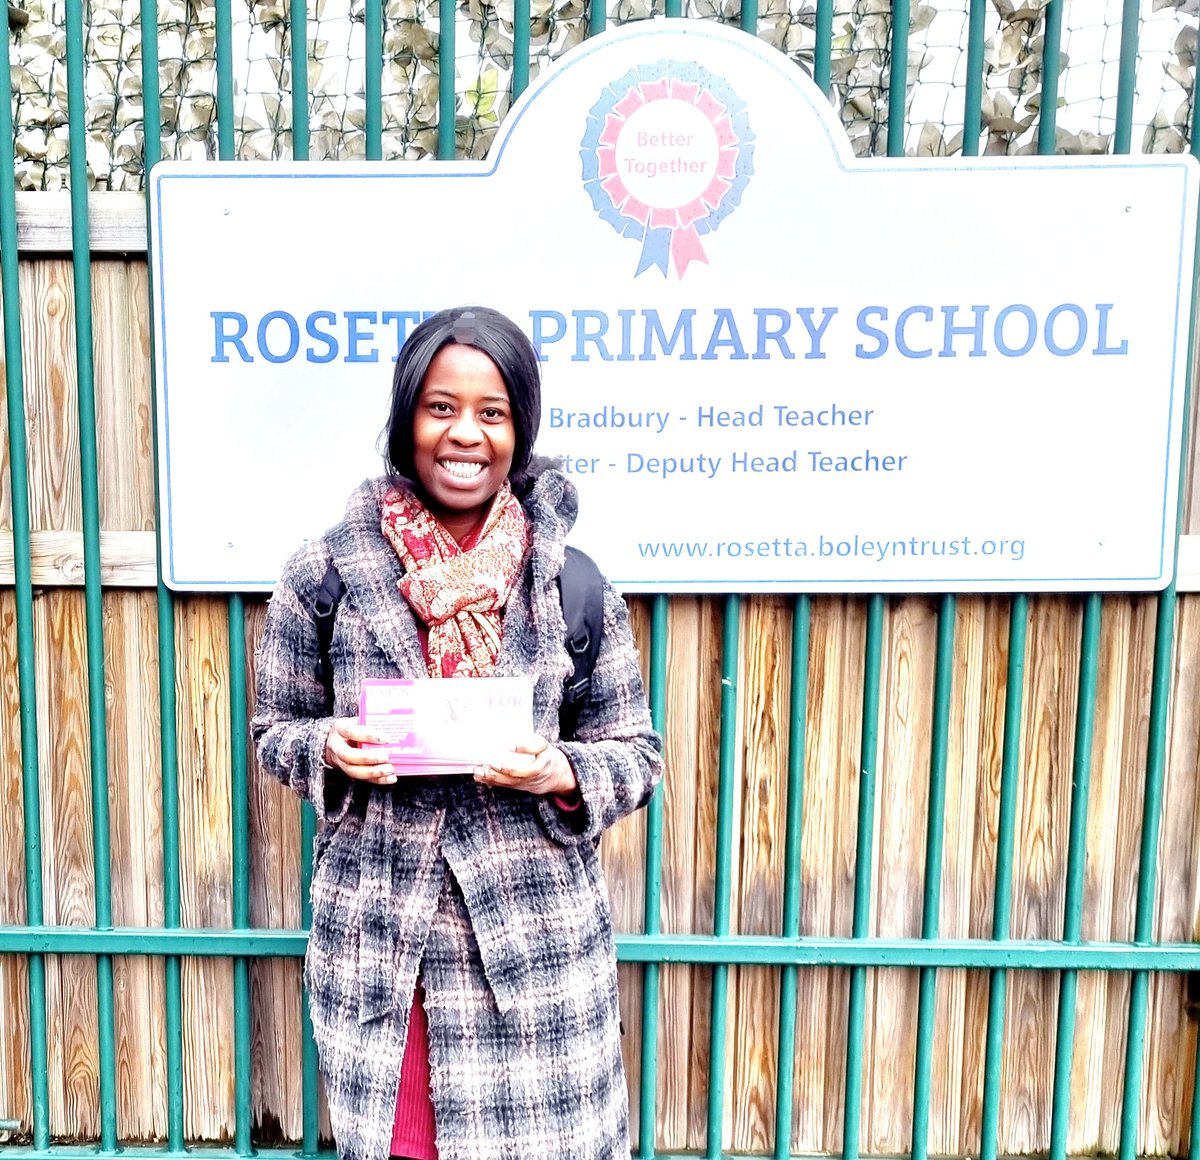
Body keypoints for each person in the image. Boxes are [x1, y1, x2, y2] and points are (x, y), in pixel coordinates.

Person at [250, 305, 664, 1160]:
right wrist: (326, 748)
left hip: (536, 953)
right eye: (441, 407)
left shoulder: (570, 584)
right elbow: (273, 728)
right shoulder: (325, 573)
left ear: (521, 427)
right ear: (406, 419)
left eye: (491, 412)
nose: (464, 433)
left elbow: (636, 753)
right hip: (387, 948)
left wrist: (560, 770)